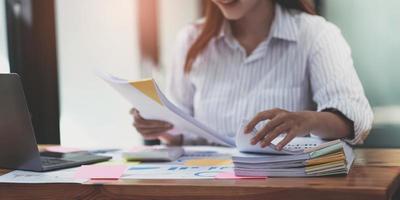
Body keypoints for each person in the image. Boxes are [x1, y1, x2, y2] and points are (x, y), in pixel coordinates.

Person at [130, 0, 373, 149]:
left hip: (283, 189)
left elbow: (357, 120)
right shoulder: (190, 40)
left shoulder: (316, 35)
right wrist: (160, 127)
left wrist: (306, 121)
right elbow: (182, 132)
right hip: (205, 186)